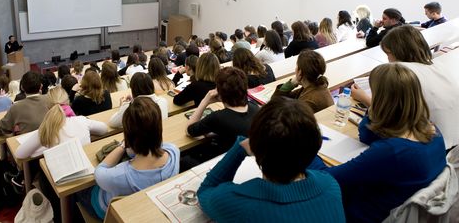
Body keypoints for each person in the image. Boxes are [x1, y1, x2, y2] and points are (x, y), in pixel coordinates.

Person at [310, 63, 446, 222]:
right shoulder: (432, 130)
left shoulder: (392, 152)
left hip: (359, 215)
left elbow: (327, 179)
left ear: (382, 100)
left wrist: (307, 150)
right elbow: (367, 136)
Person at [197, 97, 345, 223]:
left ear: (255, 146)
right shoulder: (330, 185)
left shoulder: (241, 203)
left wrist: (240, 148)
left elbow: (205, 191)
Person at [352, 25, 459, 149]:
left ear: (398, 52)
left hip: (431, 147)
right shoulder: (441, 66)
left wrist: (364, 98)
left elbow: (382, 121)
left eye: (388, 53)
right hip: (450, 146)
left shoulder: (402, 74)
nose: (388, 59)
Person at [79, 98, 180, 220]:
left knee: (77, 189)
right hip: (147, 210)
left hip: (106, 211)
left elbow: (100, 170)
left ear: (128, 134)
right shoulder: (174, 152)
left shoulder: (118, 175)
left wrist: (122, 146)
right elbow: (156, 146)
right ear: (158, 128)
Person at [16, 87, 108, 159]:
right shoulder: (81, 120)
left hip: (60, 176)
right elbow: (104, 129)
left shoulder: (46, 130)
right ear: (68, 102)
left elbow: (20, 154)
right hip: (86, 168)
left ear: (47, 107)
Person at [187, 67, 260, 156]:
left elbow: (189, 130)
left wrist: (205, 101)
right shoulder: (255, 107)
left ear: (219, 92)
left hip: (225, 160)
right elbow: (236, 130)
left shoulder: (217, 118)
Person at [0, 71, 50, 136]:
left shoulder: (16, 107)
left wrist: (13, 130)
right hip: (52, 141)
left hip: (28, 143)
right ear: (41, 86)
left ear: (22, 87)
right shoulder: (51, 100)